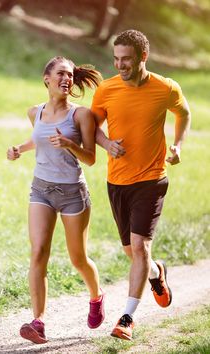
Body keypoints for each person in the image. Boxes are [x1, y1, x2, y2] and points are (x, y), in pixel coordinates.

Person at [91, 29, 191, 341]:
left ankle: (127, 318)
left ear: (142, 57)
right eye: (116, 59)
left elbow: (184, 113)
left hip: (152, 179)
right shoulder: (106, 90)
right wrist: (107, 143)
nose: (120, 65)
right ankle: (156, 273)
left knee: (139, 246)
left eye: (127, 59)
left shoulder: (165, 87)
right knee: (131, 252)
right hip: (117, 180)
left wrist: (178, 146)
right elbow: (92, 127)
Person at [7, 56, 105, 344]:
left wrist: (70, 144)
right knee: (38, 252)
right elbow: (40, 138)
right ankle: (38, 322)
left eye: (71, 75)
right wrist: (19, 149)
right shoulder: (34, 112)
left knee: (78, 259)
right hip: (41, 189)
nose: (67, 79)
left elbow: (90, 158)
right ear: (46, 78)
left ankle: (97, 296)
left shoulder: (81, 115)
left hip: (73, 193)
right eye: (61, 73)